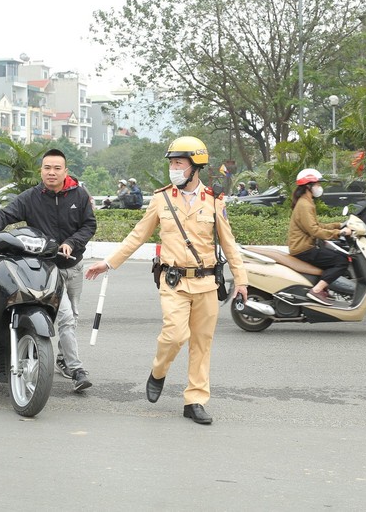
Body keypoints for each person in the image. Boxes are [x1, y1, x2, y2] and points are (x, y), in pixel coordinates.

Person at [85, 136, 249, 426]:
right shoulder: (161, 199)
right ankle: (158, 371)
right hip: (173, 282)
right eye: (171, 163)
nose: (173, 168)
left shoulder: (213, 201)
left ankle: (195, 400)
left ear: (195, 166)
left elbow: (230, 243)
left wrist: (242, 280)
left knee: (202, 344)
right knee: (174, 335)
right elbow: (138, 235)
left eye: (179, 163)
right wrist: (109, 262)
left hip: (207, 283)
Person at [0, 149, 96, 393]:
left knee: (73, 316)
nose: (51, 172)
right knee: (66, 318)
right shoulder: (30, 197)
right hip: (46, 268)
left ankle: (62, 358)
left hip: (73, 266)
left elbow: (89, 225)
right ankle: (76, 368)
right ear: (41, 170)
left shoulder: (79, 195)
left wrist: (71, 242)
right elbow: (4, 215)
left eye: (57, 168)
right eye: (47, 167)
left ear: (65, 171)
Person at [287, 168, 352, 306]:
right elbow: (315, 231)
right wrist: (339, 233)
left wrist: (339, 225)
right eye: (317, 184)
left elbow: (316, 225)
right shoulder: (305, 205)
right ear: (308, 186)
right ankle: (316, 290)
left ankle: (323, 288)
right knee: (342, 260)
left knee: (332, 256)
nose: (319, 187)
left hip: (305, 247)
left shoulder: (306, 202)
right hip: (303, 249)